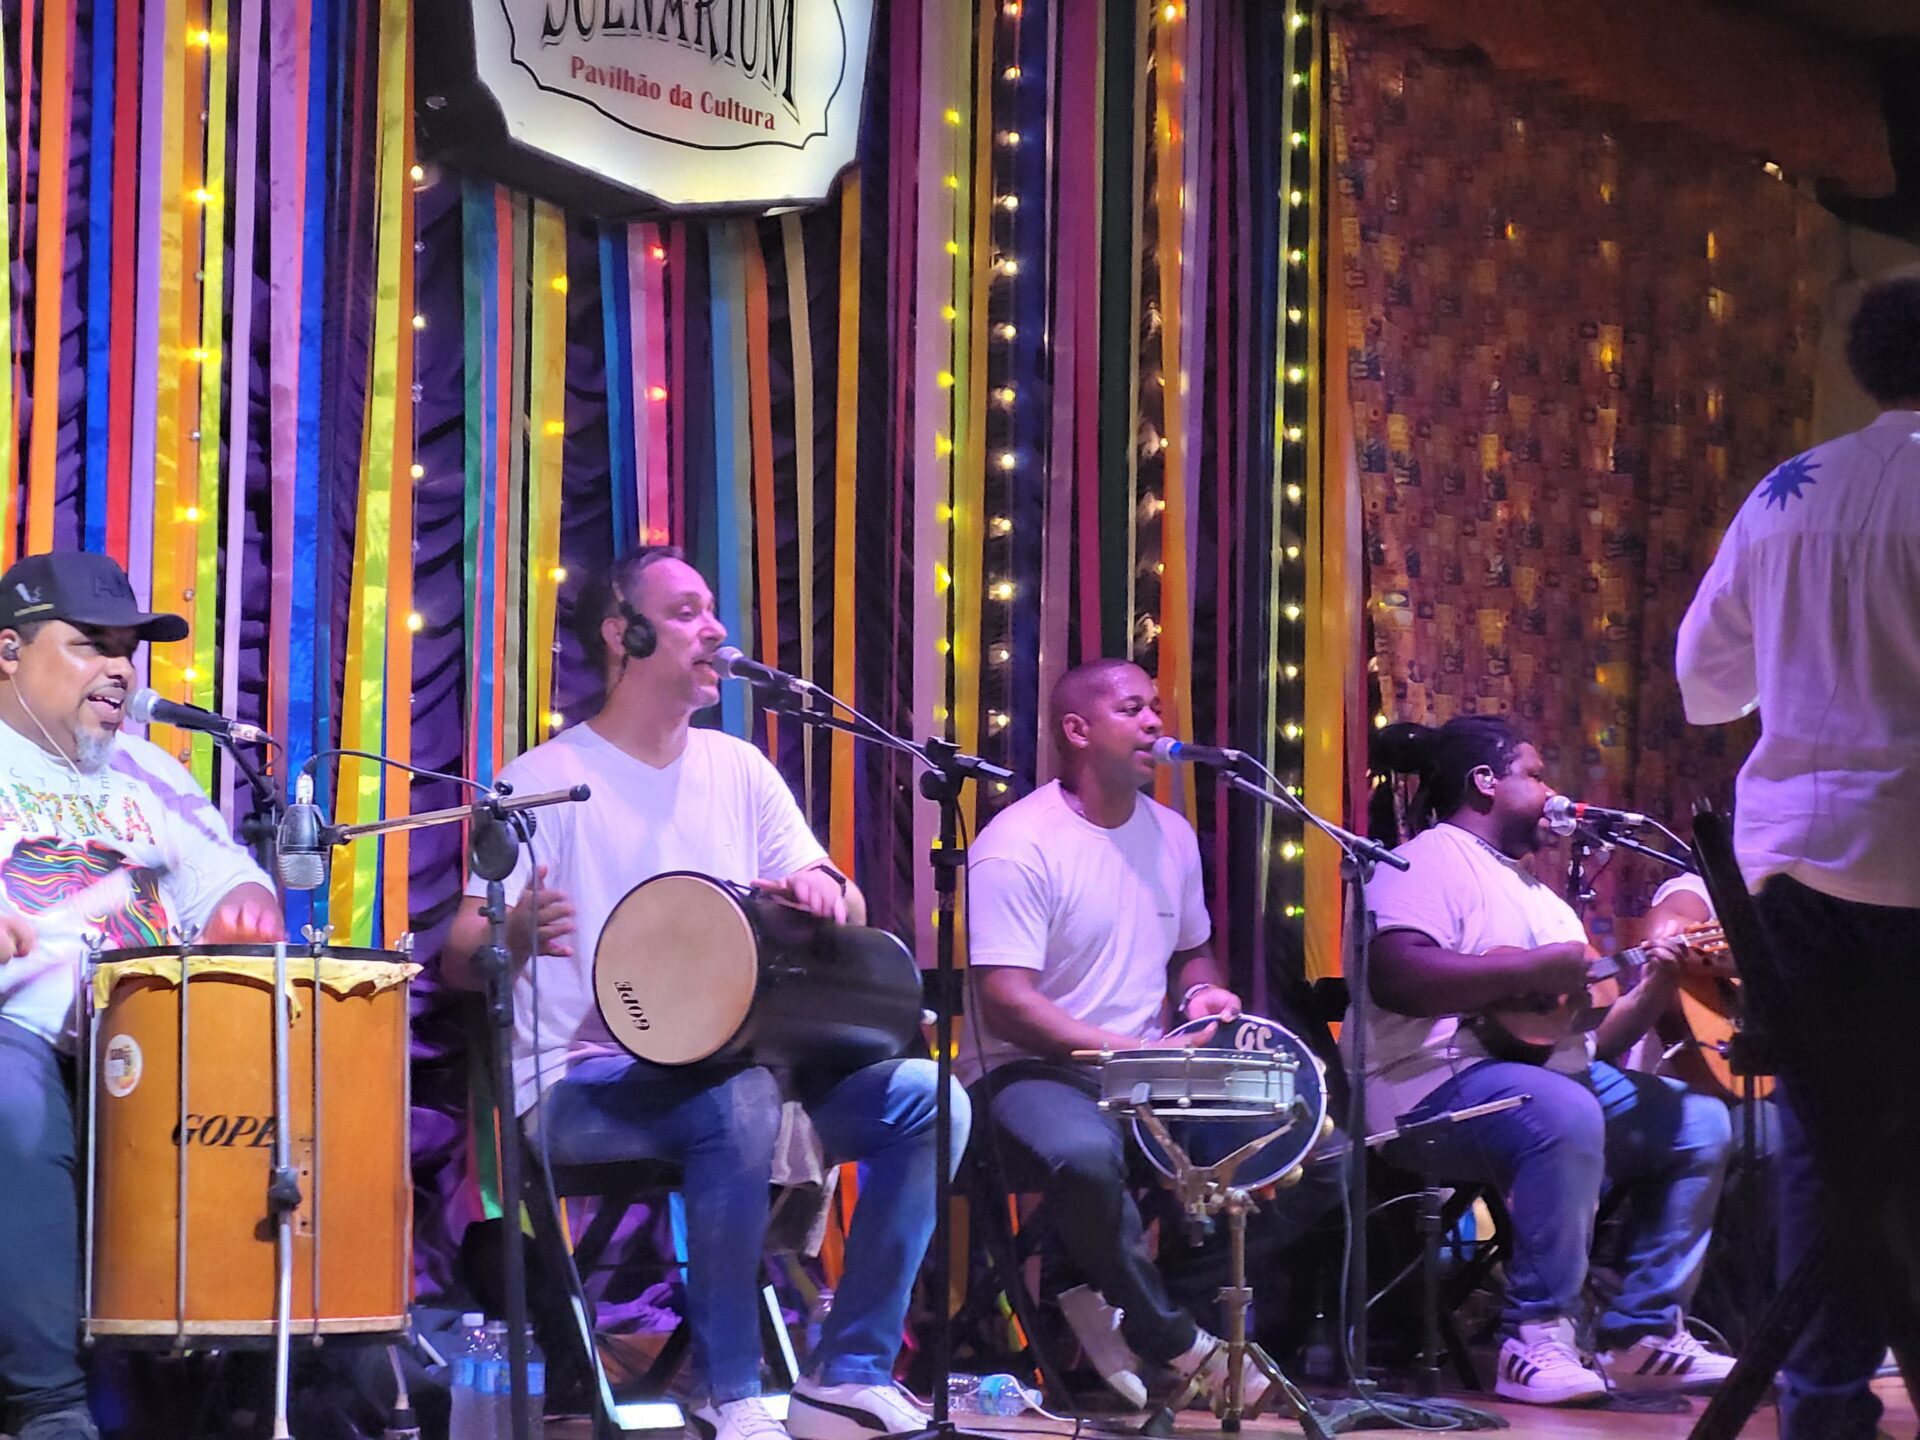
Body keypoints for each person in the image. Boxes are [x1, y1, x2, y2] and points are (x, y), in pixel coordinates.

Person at [440, 546, 967, 1440]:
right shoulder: (540, 780)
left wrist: (826, 892)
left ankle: (847, 1374)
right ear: (624, 633)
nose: (715, 629)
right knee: (739, 1101)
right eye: (686, 612)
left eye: (712, 610)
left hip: (743, 1069)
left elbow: (839, 892)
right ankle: (729, 1392)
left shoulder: (739, 768)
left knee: (930, 1100)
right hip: (584, 1085)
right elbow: (455, 953)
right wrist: (513, 930)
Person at [962, 658, 1341, 1410]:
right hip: (1028, 1071)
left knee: (1313, 1152)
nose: (1155, 724)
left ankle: (1151, 1309)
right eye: (1134, 709)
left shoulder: (1170, 834)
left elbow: (1191, 949)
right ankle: (1179, 1343)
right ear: (1078, 730)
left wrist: (1201, 990)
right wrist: (1125, 1051)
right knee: (1081, 1154)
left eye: (1157, 709)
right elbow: (1006, 1002)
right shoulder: (1018, 843)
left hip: (1146, 1071)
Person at [1676, 273, 1920, 1439]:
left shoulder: (1783, 496)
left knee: (1832, 1129)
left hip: (1789, 873)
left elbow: (1706, 681)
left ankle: (1821, 1401)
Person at [1349, 717, 1734, 1406]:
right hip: (1427, 1087)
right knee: (1564, 1109)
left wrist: (1660, 984)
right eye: (1535, 773)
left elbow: (1595, 1043)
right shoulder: (1429, 858)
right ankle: (1532, 1338)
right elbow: (1395, 976)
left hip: (1547, 1086)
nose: (1551, 790)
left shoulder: (1544, 901)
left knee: (1699, 1122)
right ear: (1485, 782)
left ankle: (1643, 1337)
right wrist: (1526, 970)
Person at [0, 552, 282, 1440]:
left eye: (129, 650)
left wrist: (250, 907)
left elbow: (233, 888)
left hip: (159, 1047)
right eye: (90, 645)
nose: (120, 670)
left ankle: (258, 1383)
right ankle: (47, 1407)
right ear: (10, 651)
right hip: (25, 1030)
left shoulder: (154, 774)